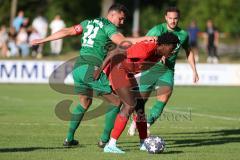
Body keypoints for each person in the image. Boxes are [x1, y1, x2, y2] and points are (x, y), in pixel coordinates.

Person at [30, 3, 154, 149]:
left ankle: (69, 139)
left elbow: (67, 31)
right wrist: (146, 39)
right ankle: (104, 140)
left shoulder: (88, 23)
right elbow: (123, 42)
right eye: (121, 18)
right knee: (116, 102)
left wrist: (42, 40)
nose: (122, 22)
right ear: (113, 14)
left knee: (84, 103)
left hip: (78, 68)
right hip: (91, 68)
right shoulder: (109, 27)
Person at [95, 32, 180, 153]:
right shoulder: (145, 49)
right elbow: (114, 52)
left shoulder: (158, 53)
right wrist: (100, 70)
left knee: (139, 107)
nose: (173, 51)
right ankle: (111, 145)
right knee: (129, 105)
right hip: (118, 69)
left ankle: (143, 143)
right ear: (164, 45)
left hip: (127, 72)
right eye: (172, 47)